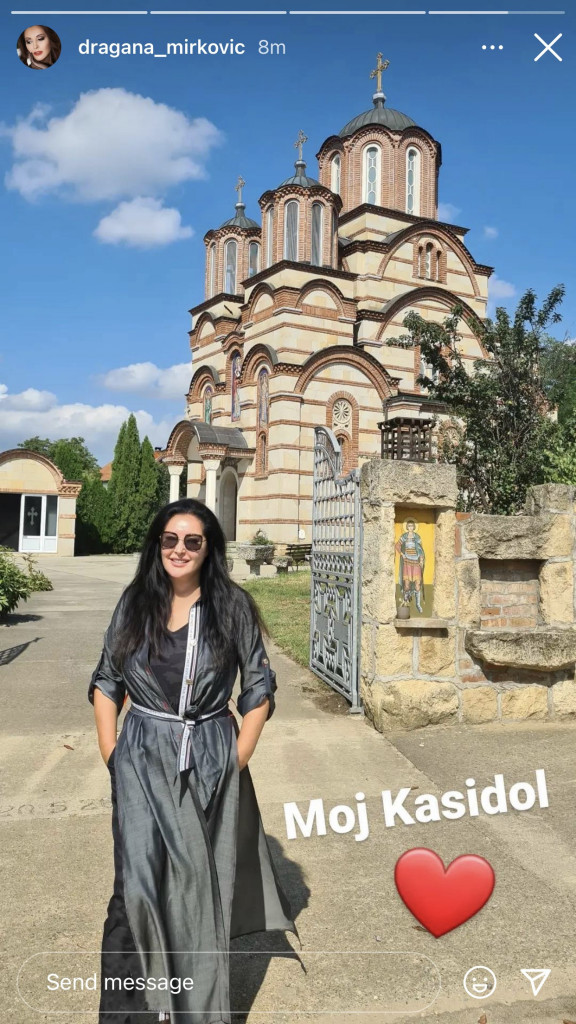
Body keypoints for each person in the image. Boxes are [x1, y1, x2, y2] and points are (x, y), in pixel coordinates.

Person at [89, 498, 296, 1023]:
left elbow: (258, 689)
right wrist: (112, 754)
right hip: (139, 761)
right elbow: (107, 680)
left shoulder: (232, 607)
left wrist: (235, 759)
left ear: (209, 549)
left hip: (206, 760)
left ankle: (192, 1009)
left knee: (195, 889)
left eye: (192, 541)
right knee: (134, 888)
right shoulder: (135, 602)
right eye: (170, 539)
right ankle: (130, 1013)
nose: (179, 549)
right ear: (157, 545)